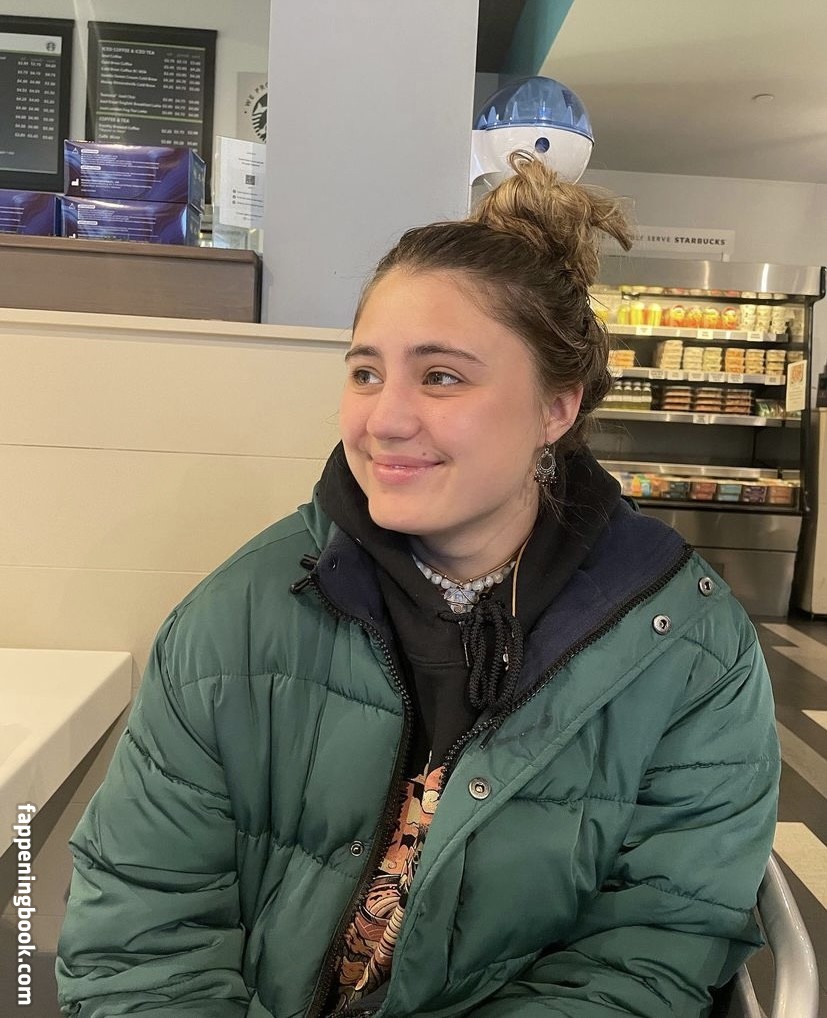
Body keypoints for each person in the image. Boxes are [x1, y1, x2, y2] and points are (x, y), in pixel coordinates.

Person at [56, 151, 780, 1018]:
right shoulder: (235, 622)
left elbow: (652, 949)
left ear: (556, 408)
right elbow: (139, 941)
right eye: (365, 372)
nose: (384, 419)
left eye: (441, 376)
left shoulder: (688, 650)